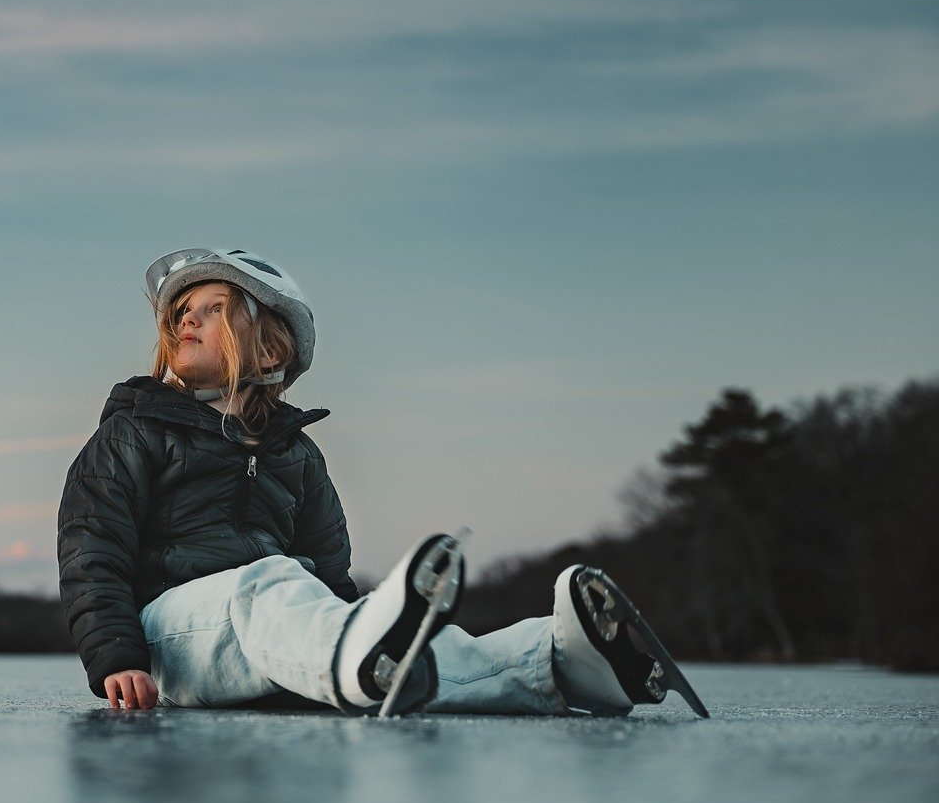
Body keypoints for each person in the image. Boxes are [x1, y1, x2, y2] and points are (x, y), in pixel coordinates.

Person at [56, 247, 706, 717]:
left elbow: (330, 571)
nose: (186, 322)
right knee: (270, 583)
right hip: (171, 640)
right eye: (179, 315)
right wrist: (117, 656)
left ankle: (562, 662)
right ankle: (351, 659)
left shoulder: (297, 455)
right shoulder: (134, 433)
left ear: (271, 352)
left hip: (282, 638)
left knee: (391, 635)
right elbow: (93, 551)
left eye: (212, 308)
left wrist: (352, 617)